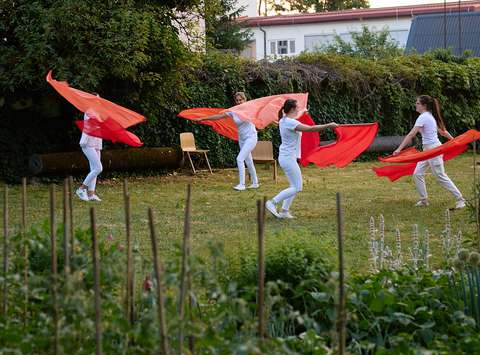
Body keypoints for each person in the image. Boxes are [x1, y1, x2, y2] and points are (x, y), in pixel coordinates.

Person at [265, 99, 338, 219]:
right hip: (287, 158)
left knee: (293, 185)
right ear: (292, 109)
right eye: (297, 108)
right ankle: (272, 202)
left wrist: (303, 110)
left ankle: (284, 211)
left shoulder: (283, 119)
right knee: (297, 187)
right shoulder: (289, 122)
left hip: (286, 157)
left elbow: (294, 116)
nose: (299, 110)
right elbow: (310, 129)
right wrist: (329, 125)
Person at [393, 95, 465, 209]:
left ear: (424, 105)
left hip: (434, 150)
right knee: (417, 174)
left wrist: (398, 149)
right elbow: (443, 132)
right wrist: (454, 141)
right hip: (427, 151)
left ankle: (461, 199)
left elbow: (412, 134)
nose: (415, 105)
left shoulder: (424, 117)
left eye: (417, 103)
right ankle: (424, 200)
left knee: (440, 176)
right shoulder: (429, 116)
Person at [193, 92, 259, 191]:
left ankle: (242, 184)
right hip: (242, 139)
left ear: (245, 100)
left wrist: (274, 121)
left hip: (251, 137)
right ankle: (255, 183)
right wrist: (203, 118)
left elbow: (260, 115)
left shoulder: (249, 109)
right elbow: (218, 116)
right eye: (237, 100)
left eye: (240, 100)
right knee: (248, 160)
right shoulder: (233, 111)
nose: (239, 102)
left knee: (239, 159)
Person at [76, 96, 103, 202]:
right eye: (95, 99)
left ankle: (91, 194)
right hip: (87, 143)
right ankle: (81, 189)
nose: (98, 101)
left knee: (94, 170)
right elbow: (93, 121)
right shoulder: (89, 111)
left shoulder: (98, 112)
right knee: (98, 168)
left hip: (96, 143)